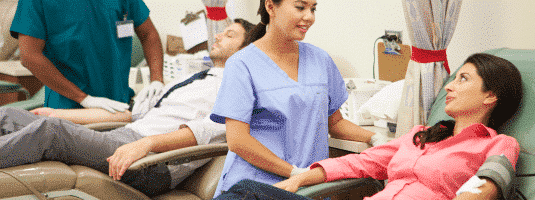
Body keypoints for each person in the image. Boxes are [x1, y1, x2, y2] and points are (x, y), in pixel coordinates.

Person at [214, 53, 524, 200]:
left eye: (463, 79)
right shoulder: (420, 136)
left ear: (491, 95)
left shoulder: (497, 144)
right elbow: (360, 163)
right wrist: (298, 179)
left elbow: (487, 187)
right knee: (248, 192)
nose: (450, 86)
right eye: (453, 77)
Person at [0, 19, 255, 197]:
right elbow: (132, 114)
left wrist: (147, 144)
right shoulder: (194, 79)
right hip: (124, 138)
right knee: (12, 115)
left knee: (50, 132)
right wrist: (58, 112)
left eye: (230, 35)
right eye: (222, 31)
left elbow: (213, 131)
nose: (219, 35)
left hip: (152, 163)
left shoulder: (236, 89)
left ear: (246, 51)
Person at [209, 0, 384, 197]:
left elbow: (335, 123)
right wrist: (294, 172)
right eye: (300, 7)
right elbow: (238, 141)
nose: (309, 16)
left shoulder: (320, 60)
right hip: (253, 185)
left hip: (306, 187)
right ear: (270, 7)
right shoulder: (241, 64)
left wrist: (375, 138)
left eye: (313, 9)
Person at [10, 0, 164, 113]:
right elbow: (30, 56)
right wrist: (84, 98)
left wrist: (157, 79)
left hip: (119, 106)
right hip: (68, 109)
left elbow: (148, 34)